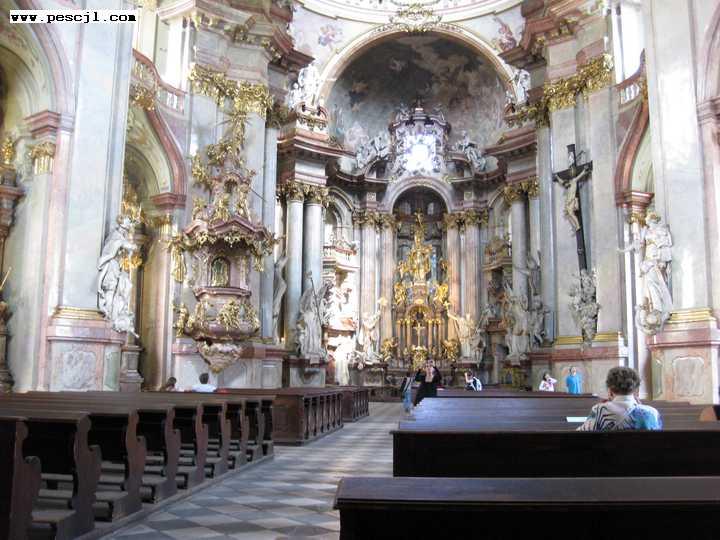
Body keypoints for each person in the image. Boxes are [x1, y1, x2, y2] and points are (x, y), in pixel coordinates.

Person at [578, 366, 661, 431]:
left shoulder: (599, 410)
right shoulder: (652, 412)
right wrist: (640, 407)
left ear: (610, 390)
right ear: (636, 390)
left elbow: (580, 436)